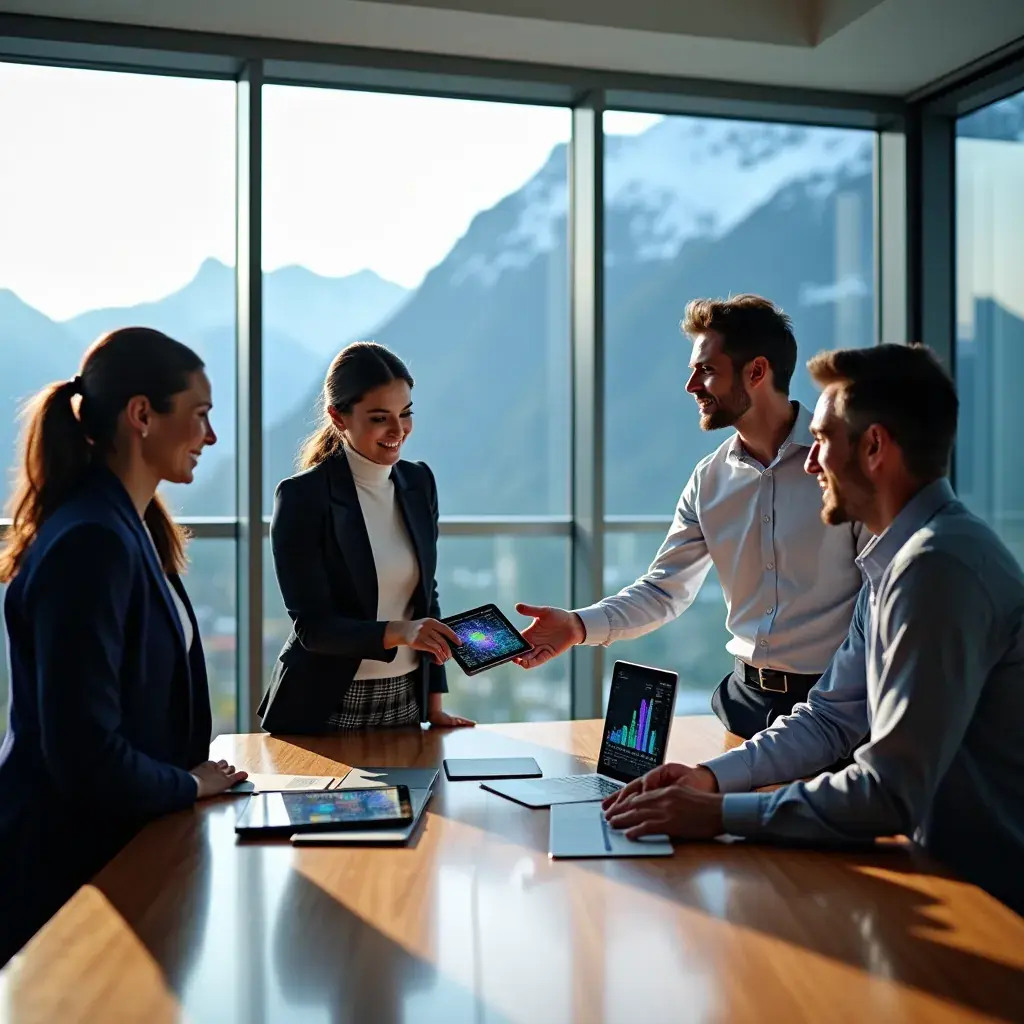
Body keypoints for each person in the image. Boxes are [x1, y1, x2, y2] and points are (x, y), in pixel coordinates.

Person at [603, 343, 1024, 916]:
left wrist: (718, 815)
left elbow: (886, 791)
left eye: (822, 439)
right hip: (939, 872)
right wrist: (706, 780)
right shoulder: (892, 562)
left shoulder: (937, 569)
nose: (808, 462)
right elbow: (831, 718)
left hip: (988, 900)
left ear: (874, 447)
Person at [0, 327, 247, 967]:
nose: (211, 437)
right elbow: (83, 753)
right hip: (69, 874)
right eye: (199, 416)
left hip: (120, 851)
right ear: (142, 415)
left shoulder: (128, 527)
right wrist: (189, 786)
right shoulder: (92, 543)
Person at [515, 294, 865, 738]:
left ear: (756, 372)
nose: (692, 386)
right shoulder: (709, 479)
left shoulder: (842, 467)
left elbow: (879, 600)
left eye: (707, 370)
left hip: (835, 706)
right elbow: (664, 591)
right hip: (743, 707)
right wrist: (578, 625)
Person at [259, 342, 473, 734]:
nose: (398, 430)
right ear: (338, 417)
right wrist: (400, 632)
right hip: (326, 704)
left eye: (406, 414)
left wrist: (434, 703)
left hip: (407, 700)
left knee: (424, 798)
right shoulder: (302, 497)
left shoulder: (418, 482)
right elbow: (313, 628)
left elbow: (426, 598)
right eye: (380, 418)